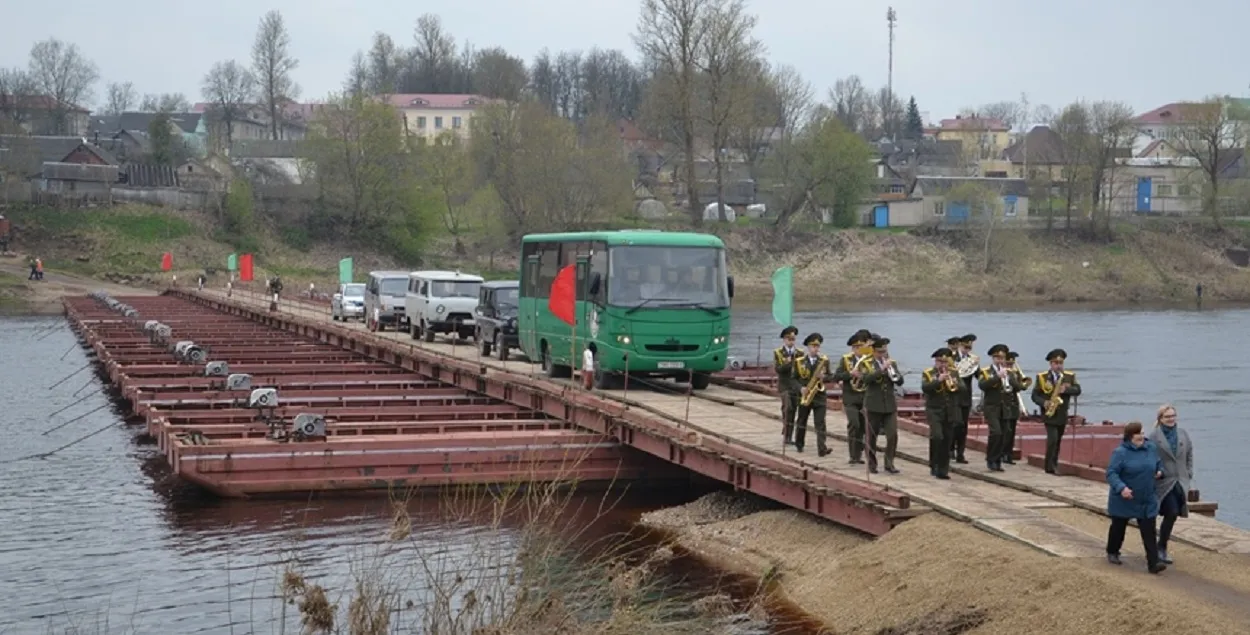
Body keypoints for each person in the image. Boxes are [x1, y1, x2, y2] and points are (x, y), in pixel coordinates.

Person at [1105, 421, 1167, 574]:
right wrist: (1122, 488)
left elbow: (1158, 464)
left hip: (1146, 497)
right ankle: (1113, 551)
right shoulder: (1120, 453)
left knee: (1149, 530)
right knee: (1118, 527)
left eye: (1142, 433)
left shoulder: (1151, 448)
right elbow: (1111, 473)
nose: (1141, 436)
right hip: (1125, 498)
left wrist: (1160, 471)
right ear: (1129, 436)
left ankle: (1153, 563)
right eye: (1138, 434)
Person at [1151, 404, 1194, 565]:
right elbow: (1151, 457)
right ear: (1160, 419)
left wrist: (1189, 472)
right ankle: (1161, 547)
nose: (1171, 419)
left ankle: (1161, 545)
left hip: (1181, 480)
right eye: (1167, 416)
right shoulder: (1154, 436)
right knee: (1172, 512)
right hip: (1164, 481)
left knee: (1174, 514)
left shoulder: (1183, 434)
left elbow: (1190, 453)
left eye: (1173, 416)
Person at [1031, 348, 1082, 474]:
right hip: (1049, 413)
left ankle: (1054, 463)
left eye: (1060, 363)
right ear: (1051, 364)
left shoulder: (1069, 376)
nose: (1059, 366)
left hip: (1062, 412)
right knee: (1052, 439)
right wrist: (1044, 403)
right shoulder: (1042, 377)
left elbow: (1078, 390)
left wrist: (1066, 390)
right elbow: (1035, 395)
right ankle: (1049, 466)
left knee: (1058, 440)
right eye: (1056, 363)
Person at [977, 344, 1024, 472]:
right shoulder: (986, 371)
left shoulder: (1009, 371)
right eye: (997, 358)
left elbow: (1018, 387)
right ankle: (990, 459)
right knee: (996, 432)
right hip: (992, 407)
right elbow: (982, 385)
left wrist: (1011, 377)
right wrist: (997, 376)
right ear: (993, 358)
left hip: (1005, 408)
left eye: (1002, 358)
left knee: (1003, 434)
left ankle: (997, 461)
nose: (1000, 361)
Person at [862, 336, 904, 474]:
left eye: (884, 352)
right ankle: (872, 464)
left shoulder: (892, 363)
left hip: (889, 405)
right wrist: (881, 369)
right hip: (873, 404)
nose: (883, 355)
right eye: (880, 352)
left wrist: (894, 373)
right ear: (873, 351)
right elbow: (866, 379)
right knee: (871, 436)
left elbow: (899, 381)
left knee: (892, 434)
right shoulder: (866, 363)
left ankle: (889, 463)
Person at [921, 347, 963, 480]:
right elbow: (925, 388)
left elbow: (963, 388)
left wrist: (955, 382)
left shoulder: (954, 373)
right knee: (937, 436)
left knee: (947, 439)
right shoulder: (928, 373)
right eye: (940, 362)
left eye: (945, 362)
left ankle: (943, 469)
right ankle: (934, 464)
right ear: (936, 361)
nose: (943, 365)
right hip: (934, 410)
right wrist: (938, 380)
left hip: (949, 411)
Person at [833, 329, 873, 464]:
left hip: (864, 396)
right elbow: (837, 376)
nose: (858, 350)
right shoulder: (846, 360)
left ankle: (858, 455)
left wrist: (863, 376)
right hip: (850, 397)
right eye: (855, 347)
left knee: (862, 426)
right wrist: (851, 374)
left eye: (860, 347)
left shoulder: (869, 360)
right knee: (854, 424)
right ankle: (852, 455)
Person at [792, 333, 833, 456]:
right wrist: (801, 388)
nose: (815, 349)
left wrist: (824, 377)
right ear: (808, 347)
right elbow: (793, 379)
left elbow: (831, 376)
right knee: (801, 421)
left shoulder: (824, 361)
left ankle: (822, 448)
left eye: (817, 346)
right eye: (813, 346)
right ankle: (799, 444)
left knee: (820, 423)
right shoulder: (799, 362)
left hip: (819, 395)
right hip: (805, 395)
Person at [773, 326, 802, 445]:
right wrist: (789, 363)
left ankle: (789, 435)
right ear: (784, 340)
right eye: (789, 339)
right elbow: (778, 369)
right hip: (784, 385)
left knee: (793, 410)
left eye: (793, 339)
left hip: (795, 386)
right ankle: (786, 433)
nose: (791, 341)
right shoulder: (778, 353)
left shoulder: (800, 353)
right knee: (788, 408)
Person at [1001, 351, 1030, 465]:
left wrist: (1024, 383)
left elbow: (1019, 387)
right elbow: (1016, 386)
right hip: (1004, 404)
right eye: (1008, 364)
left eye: (1012, 364)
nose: (1010, 366)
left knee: (1012, 431)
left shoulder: (1015, 372)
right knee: (1006, 431)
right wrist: (1020, 384)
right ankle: (1003, 453)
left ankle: (1008, 454)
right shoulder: (1004, 372)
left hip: (1013, 405)